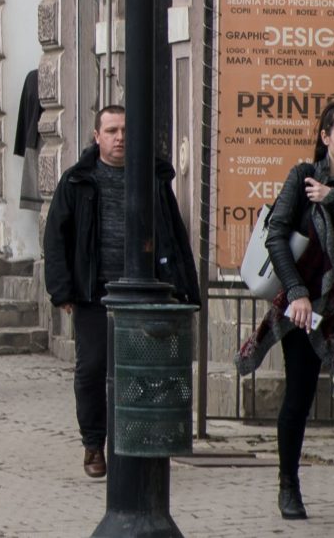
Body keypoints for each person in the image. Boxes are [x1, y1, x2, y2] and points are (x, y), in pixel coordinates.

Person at [44, 104, 200, 482]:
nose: (120, 138)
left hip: (148, 291)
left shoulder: (153, 180)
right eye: (112, 131)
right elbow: (56, 237)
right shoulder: (78, 181)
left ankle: (140, 440)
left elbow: (174, 234)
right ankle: (94, 443)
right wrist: (62, 289)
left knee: (146, 371)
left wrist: (185, 288)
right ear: (97, 136)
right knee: (93, 368)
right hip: (95, 293)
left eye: (126, 131)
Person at [246, 105, 334, 520]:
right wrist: (296, 292)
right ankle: (289, 485)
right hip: (308, 308)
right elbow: (277, 235)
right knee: (299, 395)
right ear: (326, 137)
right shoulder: (303, 177)